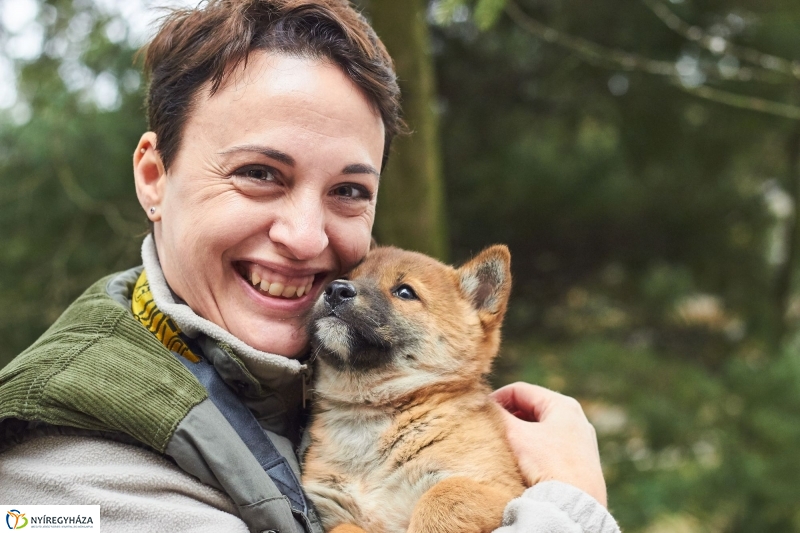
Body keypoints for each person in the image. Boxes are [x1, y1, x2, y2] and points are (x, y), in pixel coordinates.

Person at [0, 1, 619, 531]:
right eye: (259, 174)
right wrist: (572, 505)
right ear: (154, 177)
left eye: (349, 190)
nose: (303, 237)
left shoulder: (295, 385)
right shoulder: (64, 478)